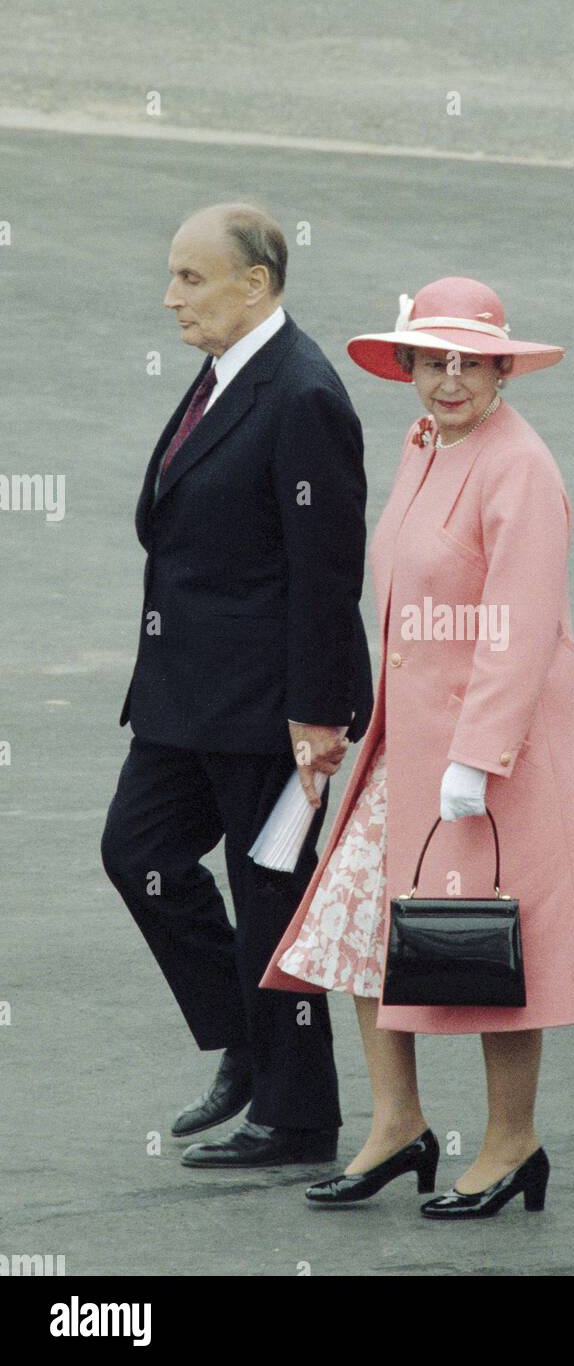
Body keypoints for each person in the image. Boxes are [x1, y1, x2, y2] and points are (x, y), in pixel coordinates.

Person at [261, 277, 574, 1219]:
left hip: (489, 755)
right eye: (431, 360)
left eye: (470, 362)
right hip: (405, 744)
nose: (448, 380)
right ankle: (397, 1124)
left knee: (496, 947)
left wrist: (477, 755)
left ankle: (511, 1143)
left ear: (502, 367)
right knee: (358, 930)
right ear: (408, 366)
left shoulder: (520, 466)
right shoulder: (426, 443)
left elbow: (522, 624)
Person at [101, 202, 373, 1166]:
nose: (170, 297)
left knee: (271, 901)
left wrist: (318, 711)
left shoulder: (300, 393)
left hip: (270, 706)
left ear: (254, 284)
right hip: (184, 696)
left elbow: (327, 570)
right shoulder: (226, 375)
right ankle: (245, 1045)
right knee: (139, 854)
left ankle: (298, 1117)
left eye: (190, 278)